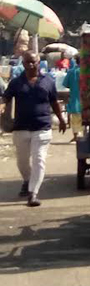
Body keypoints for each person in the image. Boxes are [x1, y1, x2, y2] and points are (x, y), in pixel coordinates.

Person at [1, 51, 67, 207]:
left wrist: (62, 120)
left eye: (34, 62)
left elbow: (54, 102)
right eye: (27, 62)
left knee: (39, 159)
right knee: (22, 162)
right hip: (21, 128)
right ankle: (27, 180)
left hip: (42, 127)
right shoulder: (16, 82)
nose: (31, 65)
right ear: (23, 64)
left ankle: (33, 193)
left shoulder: (48, 81)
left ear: (39, 62)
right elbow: (6, 97)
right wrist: (2, 106)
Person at [63, 54, 82, 142]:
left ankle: (76, 135)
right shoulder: (88, 72)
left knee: (75, 119)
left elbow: (65, 84)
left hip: (75, 99)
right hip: (87, 100)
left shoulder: (71, 72)